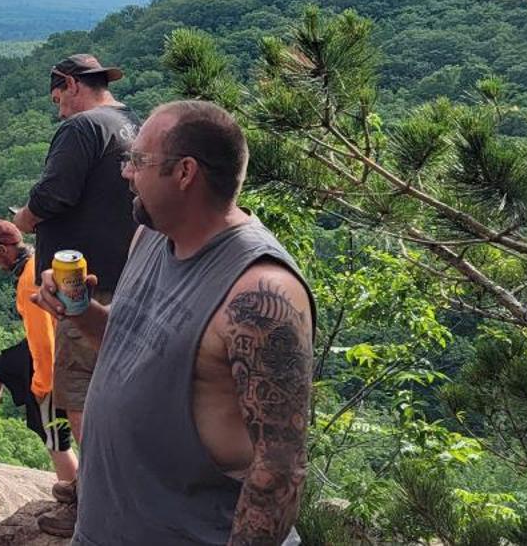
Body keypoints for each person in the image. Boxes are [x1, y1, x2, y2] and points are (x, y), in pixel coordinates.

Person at [30, 101, 314, 545]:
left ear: (185, 173)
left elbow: (280, 467)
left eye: (138, 161)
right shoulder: (151, 236)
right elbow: (136, 346)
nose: (126, 173)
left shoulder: (259, 294)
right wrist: (82, 312)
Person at [9, 54, 139, 536]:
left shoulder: (82, 128)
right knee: (115, 392)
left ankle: (93, 501)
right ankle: (107, 491)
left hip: (84, 288)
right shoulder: (131, 124)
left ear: (69, 84)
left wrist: (20, 221)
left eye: (57, 94)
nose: (57, 105)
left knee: (82, 393)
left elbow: (52, 197)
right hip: (129, 281)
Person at [0, 219, 76, 497]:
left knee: (55, 438)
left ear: (3, 249)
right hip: (62, 345)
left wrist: (43, 386)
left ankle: (75, 500)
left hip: (55, 360)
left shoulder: (28, 281)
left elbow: (42, 338)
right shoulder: (36, 261)